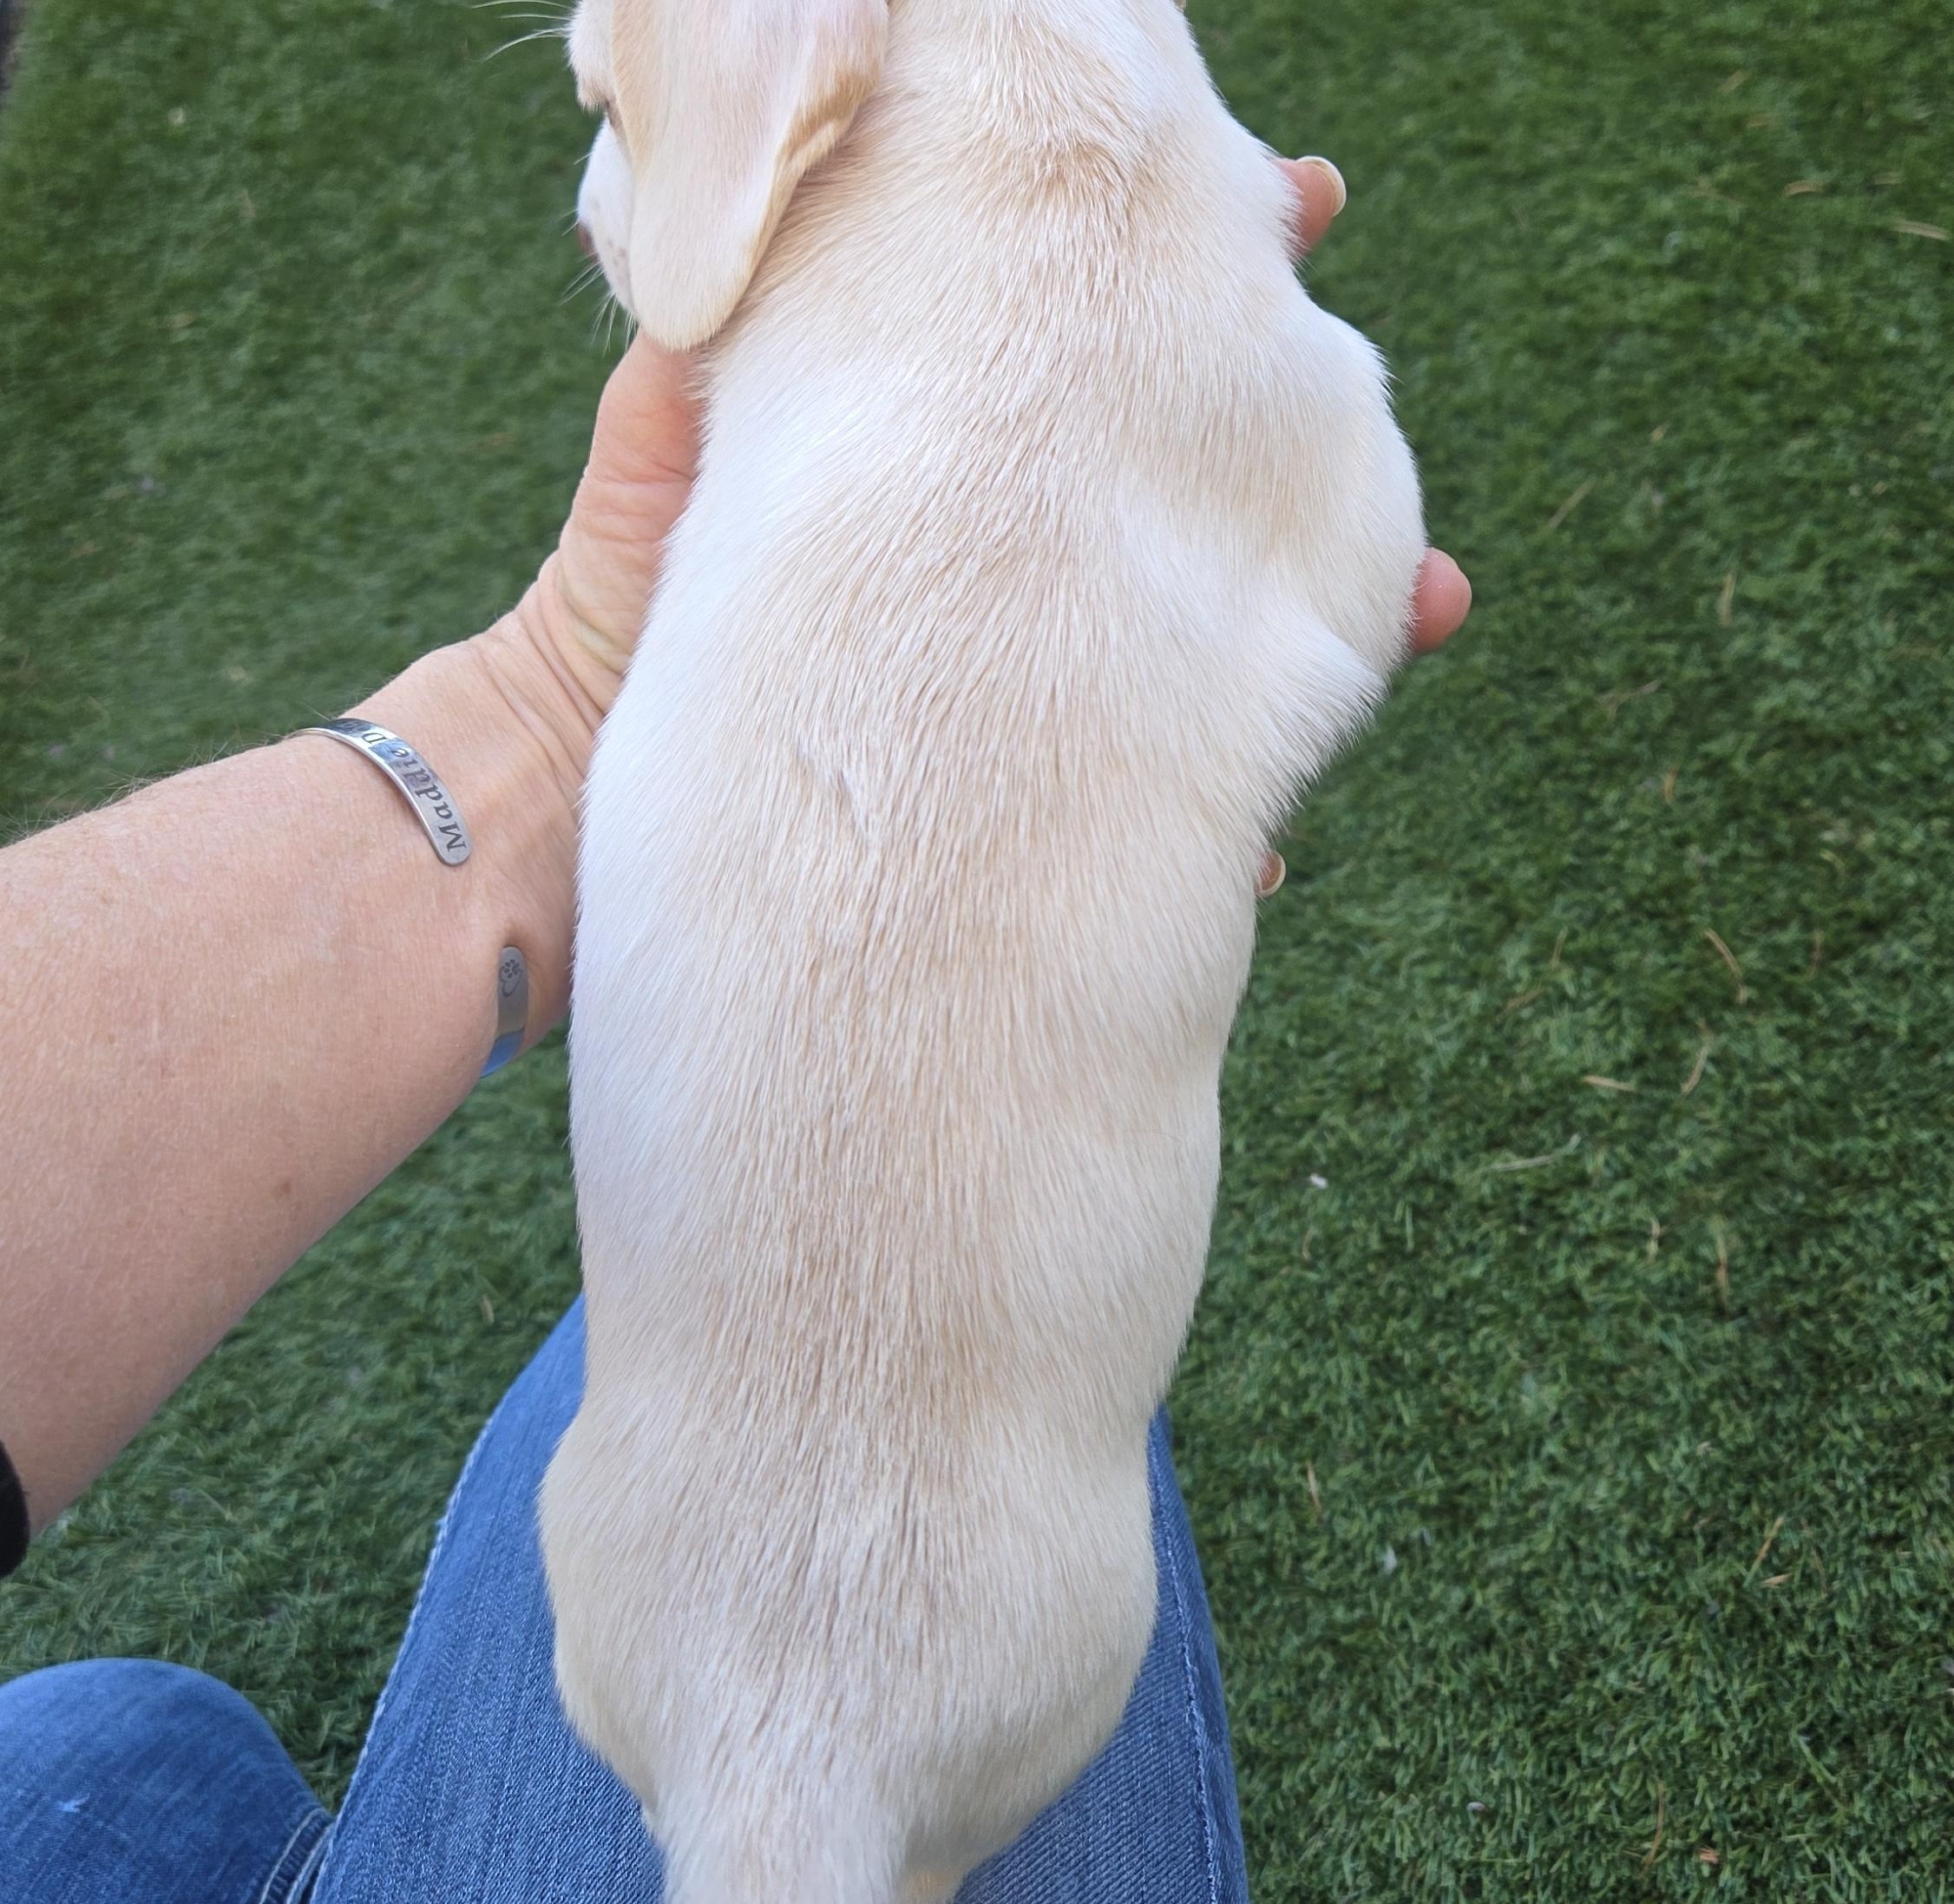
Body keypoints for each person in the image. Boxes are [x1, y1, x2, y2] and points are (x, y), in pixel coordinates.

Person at [0, 158, 1470, 1902]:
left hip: (634, 1628)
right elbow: (1362, 568)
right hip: (990, 1687)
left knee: (109, 1750)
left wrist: (554, 714)